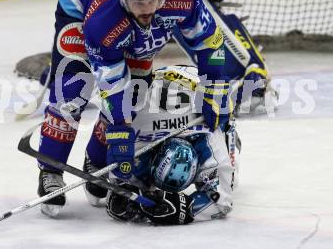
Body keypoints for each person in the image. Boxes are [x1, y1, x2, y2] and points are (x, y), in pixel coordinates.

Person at [37, 0, 236, 217]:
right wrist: (120, 130)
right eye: (139, 3)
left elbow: (209, 41)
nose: (148, 9)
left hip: (124, 25)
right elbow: (111, 79)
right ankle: (50, 171)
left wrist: (215, 88)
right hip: (79, 8)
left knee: (136, 98)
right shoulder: (102, 21)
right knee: (72, 93)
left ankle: (95, 161)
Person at [86, 65, 242, 225]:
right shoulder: (138, 136)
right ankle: (92, 159)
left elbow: (223, 201)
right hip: (155, 98)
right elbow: (110, 110)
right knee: (97, 189)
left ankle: (229, 133)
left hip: (193, 96)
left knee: (230, 172)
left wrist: (182, 209)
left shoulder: (207, 140)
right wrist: (123, 191)